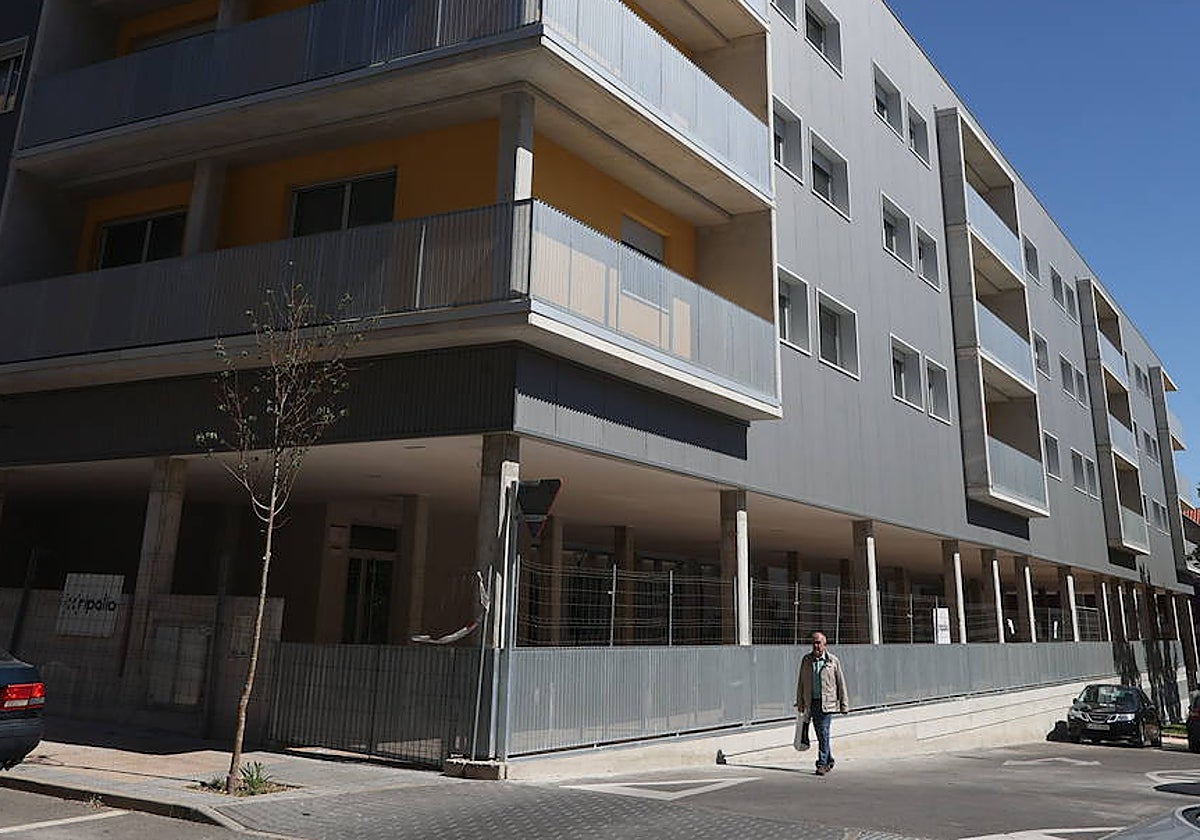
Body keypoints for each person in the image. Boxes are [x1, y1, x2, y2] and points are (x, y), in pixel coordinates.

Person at [795, 631, 849, 776]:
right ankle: (829, 759)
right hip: (811, 702)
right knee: (820, 734)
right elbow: (801, 682)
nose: (816, 645)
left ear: (825, 644)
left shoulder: (832, 661)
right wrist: (800, 701)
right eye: (814, 643)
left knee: (824, 732)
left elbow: (840, 683)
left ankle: (822, 764)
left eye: (819, 643)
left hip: (827, 703)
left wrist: (844, 704)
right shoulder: (806, 660)